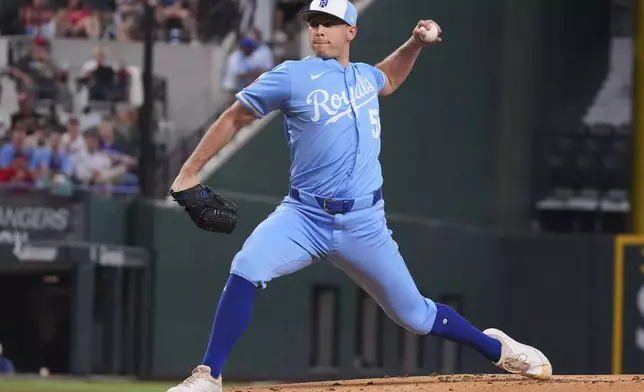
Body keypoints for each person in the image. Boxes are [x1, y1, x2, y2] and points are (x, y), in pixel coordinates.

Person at [167, 1, 552, 391]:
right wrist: (188, 172)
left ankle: (497, 348)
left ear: (351, 31)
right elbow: (236, 116)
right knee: (247, 265)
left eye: (330, 23)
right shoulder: (291, 75)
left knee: (415, 317)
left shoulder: (365, 78)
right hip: (303, 216)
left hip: (364, 223)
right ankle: (208, 376)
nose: (319, 30)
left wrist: (415, 44)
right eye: (315, 23)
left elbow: (388, 79)